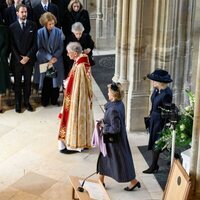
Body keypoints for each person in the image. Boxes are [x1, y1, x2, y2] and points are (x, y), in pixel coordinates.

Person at [97, 82, 141, 191]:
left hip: (114, 141)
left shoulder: (113, 109)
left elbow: (115, 128)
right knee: (105, 159)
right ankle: (100, 181)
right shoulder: (119, 104)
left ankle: (133, 181)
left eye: (108, 92)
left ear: (113, 95)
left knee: (120, 161)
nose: (107, 94)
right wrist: (104, 121)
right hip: (116, 140)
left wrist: (104, 126)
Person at [58, 42, 94, 154]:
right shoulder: (82, 59)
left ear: (74, 53)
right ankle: (83, 142)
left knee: (74, 118)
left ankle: (75, 145)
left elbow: (78, 87)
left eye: (69, 53)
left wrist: (67, 86)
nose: (67, 54)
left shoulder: (80, 66)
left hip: (77, 99)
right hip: (80, 97)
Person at [143, 69, 173, 174]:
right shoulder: (157, 90)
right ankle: (158, 163)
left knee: (158, 143)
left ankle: (154, 165)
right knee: (156, 142)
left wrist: (165, 126)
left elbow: (167, 112)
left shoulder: (166, 94)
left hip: (160, 121)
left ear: (160, 82)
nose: (153, 82)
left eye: (154, 81)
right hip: (154, 118)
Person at [9, 3, 37, 113]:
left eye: (25, 12)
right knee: (17, 83)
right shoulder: (12, 27)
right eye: (22, 12)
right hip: (17, 61)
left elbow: (35, 44)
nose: (24, 13)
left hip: (28, 60)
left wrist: (28, 57)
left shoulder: (33, 25)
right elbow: (11, 45)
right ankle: (17, 103)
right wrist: (19, 58)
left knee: (27, 83)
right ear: (17, 13)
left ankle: (26, 102)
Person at [33, 12, 64, 107]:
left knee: (54, 81)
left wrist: (54, 57)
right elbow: (39, 48)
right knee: (46, 81)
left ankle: (54, 100)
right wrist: (50, 58)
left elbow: (61, 47)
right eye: (50, 24)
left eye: (53, 23)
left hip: (56, 59)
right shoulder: (40, 32)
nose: (52, 25)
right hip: (44, 60)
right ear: (45, 24)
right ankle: (45, 100)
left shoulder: (59, 31)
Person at [0, 20, 10, 112]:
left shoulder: (3, 29)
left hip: (1, 59)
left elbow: (6, 44)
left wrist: (1, 55)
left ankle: (0, 105)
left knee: (0, 82)